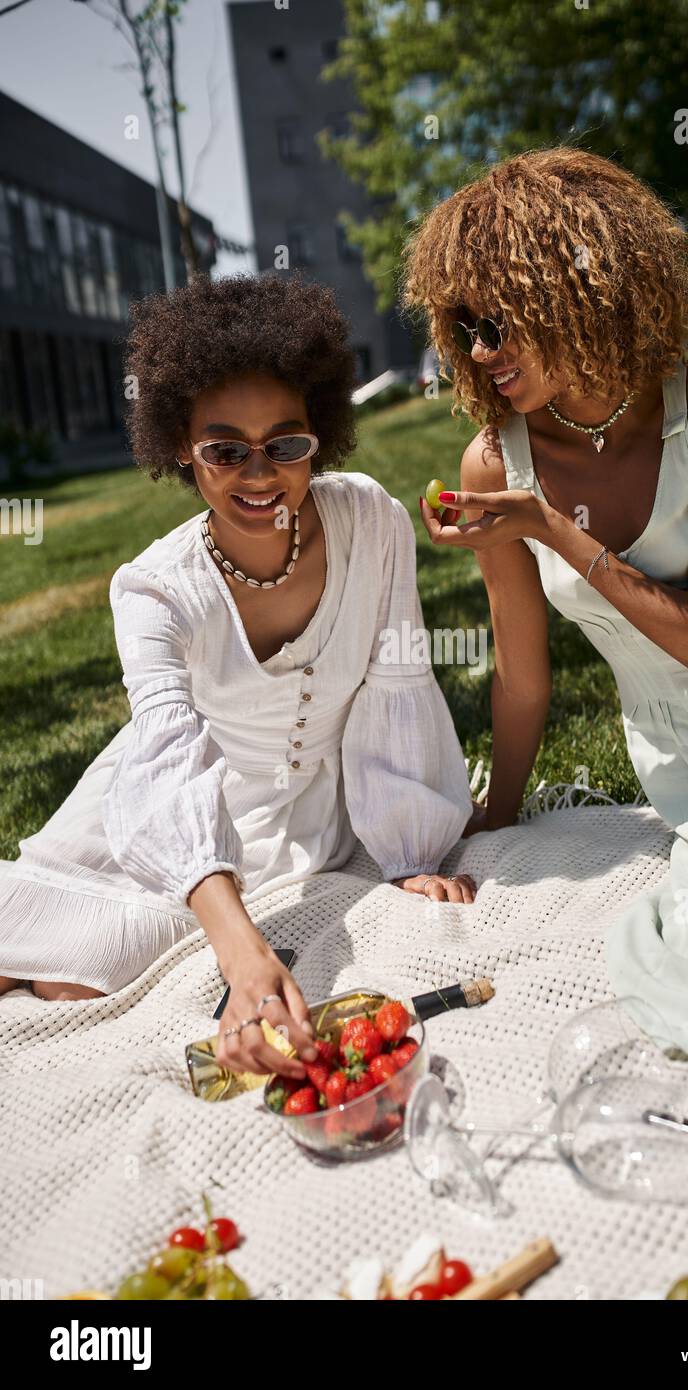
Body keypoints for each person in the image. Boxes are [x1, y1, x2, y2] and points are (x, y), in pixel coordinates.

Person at [404, 147, 688, 1077]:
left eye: (501, 322)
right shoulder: (495, 466)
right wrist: (498, 815)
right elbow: (524, 673)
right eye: (467, 330)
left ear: (584, 289)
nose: (483, 351)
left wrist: (553, 529)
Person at [0, 273, 475, 1081]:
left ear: (318, 433)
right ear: (181, 447)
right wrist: (243, 956)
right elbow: (168, 760)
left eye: (286, 444)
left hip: (309, 817)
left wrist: (408, 851)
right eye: (225, 450)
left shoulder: (374, 522)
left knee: (71, 985)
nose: (260, 474)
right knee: (44, 964)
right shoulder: (153, 588)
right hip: (175, 813)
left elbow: (398, 685)